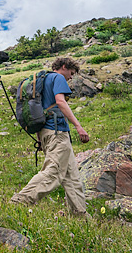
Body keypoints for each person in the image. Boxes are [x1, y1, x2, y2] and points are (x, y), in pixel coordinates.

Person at [10, 57, 90, 215]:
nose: (71, 77)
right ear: (64, 67)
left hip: (46, 133)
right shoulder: (58, 78)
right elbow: (60, 102)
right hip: (57, 132)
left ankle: (80, 215)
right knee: (53, 172)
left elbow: (41, 112)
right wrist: (78, 126)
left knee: (72, 176)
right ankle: (20, 200)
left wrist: (40, 140)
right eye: (71, 73)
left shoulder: (43, 80)